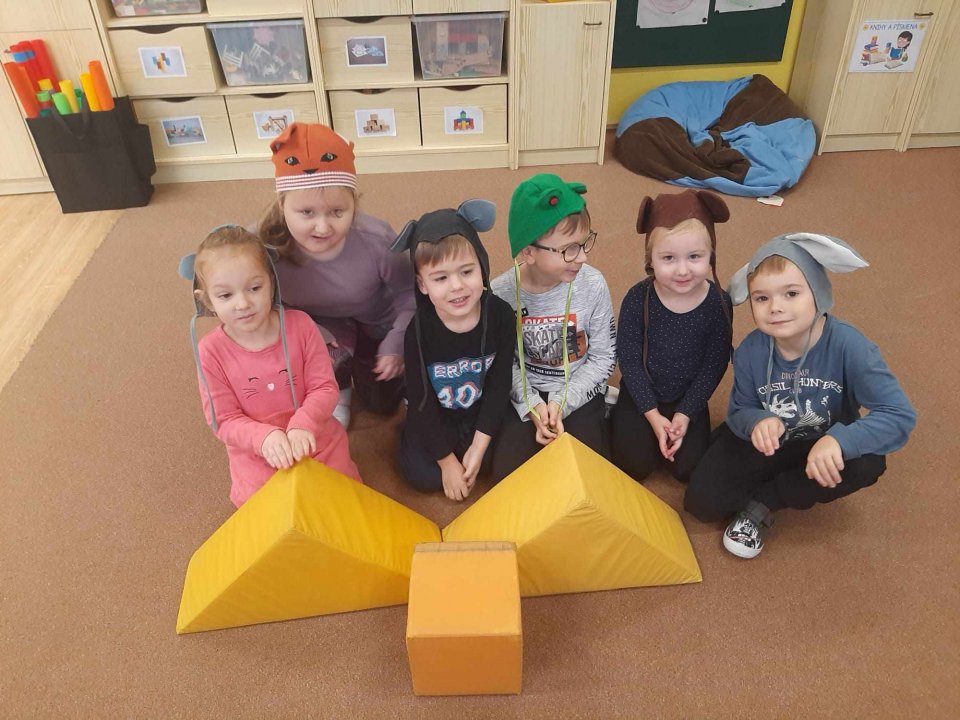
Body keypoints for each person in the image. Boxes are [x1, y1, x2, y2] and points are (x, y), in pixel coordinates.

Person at [685, 233, 916, 558]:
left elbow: (898, 414)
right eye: (761, 298)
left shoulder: (851, 347)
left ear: (818, 293)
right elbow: (740, 408)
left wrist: (839, 441)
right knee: (701, 504)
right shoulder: (751, 350)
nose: (776, 307)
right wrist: (757, 421)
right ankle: (742, 461)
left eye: (791, 293)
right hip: (766, 442)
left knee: (868, 462)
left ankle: (766, 502)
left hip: (821, 440)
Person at [179, 225, 361, 508]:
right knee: (271, 514)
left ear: (271, 284)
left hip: (315, 437)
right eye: (226, 296)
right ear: (207, 301)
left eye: (254, 288)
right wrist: (264, 438)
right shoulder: (210, 352)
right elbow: (223, 420)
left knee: (344, 502)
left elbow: (325, 388)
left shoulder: (301, 326)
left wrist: (304, 424)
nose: (243, 303)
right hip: (257, 453)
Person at [259, 122, 415, 428]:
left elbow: (409, 292)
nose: (322, 227)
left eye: (337, 212)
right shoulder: (263, 246)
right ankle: (338, 385)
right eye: (306, 213)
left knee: (381, 403)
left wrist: (397, 338)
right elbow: (228, 277)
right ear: (282, 205)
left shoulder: (377, 240)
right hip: (316, 326)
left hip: (375, 320)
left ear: (353, 204)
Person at [489, 173, 616, 480]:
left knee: (589, 474)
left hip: (577, 389)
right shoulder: (500, 294)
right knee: (506, 477)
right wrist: (531, 404)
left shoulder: (593, 284)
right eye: (569, 249)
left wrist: (563, 401)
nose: (582, 256)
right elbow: (503, 363)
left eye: (584, 243)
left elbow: (603, 357)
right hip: (526, 392)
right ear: (528, 251)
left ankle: (603, 410)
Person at [391, 200, 515, 501]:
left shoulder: (500, 315)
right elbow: (421, 401)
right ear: (422, 285)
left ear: (482, 267)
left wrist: (479, 446)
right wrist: (446, 462)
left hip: (479, 413)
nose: (457, 286)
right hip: (438, 416)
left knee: (501, 463)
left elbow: (500, 385)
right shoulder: (418, 331)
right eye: (441, 278)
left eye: (466, 271)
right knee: (424, 476)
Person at [611, 190, 733, 484]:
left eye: (695, 257)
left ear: (711, 255)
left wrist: (685, 413)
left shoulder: (718, 302)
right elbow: (628, 358)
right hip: (642, 393)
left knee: (688, 469)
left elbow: (714, 364)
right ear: (650, 260)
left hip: (686, 398)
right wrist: (652, 415)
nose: (682, 270)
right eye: (668, 258)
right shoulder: (638, 297)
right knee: (632, 466)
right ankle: (614, 412)